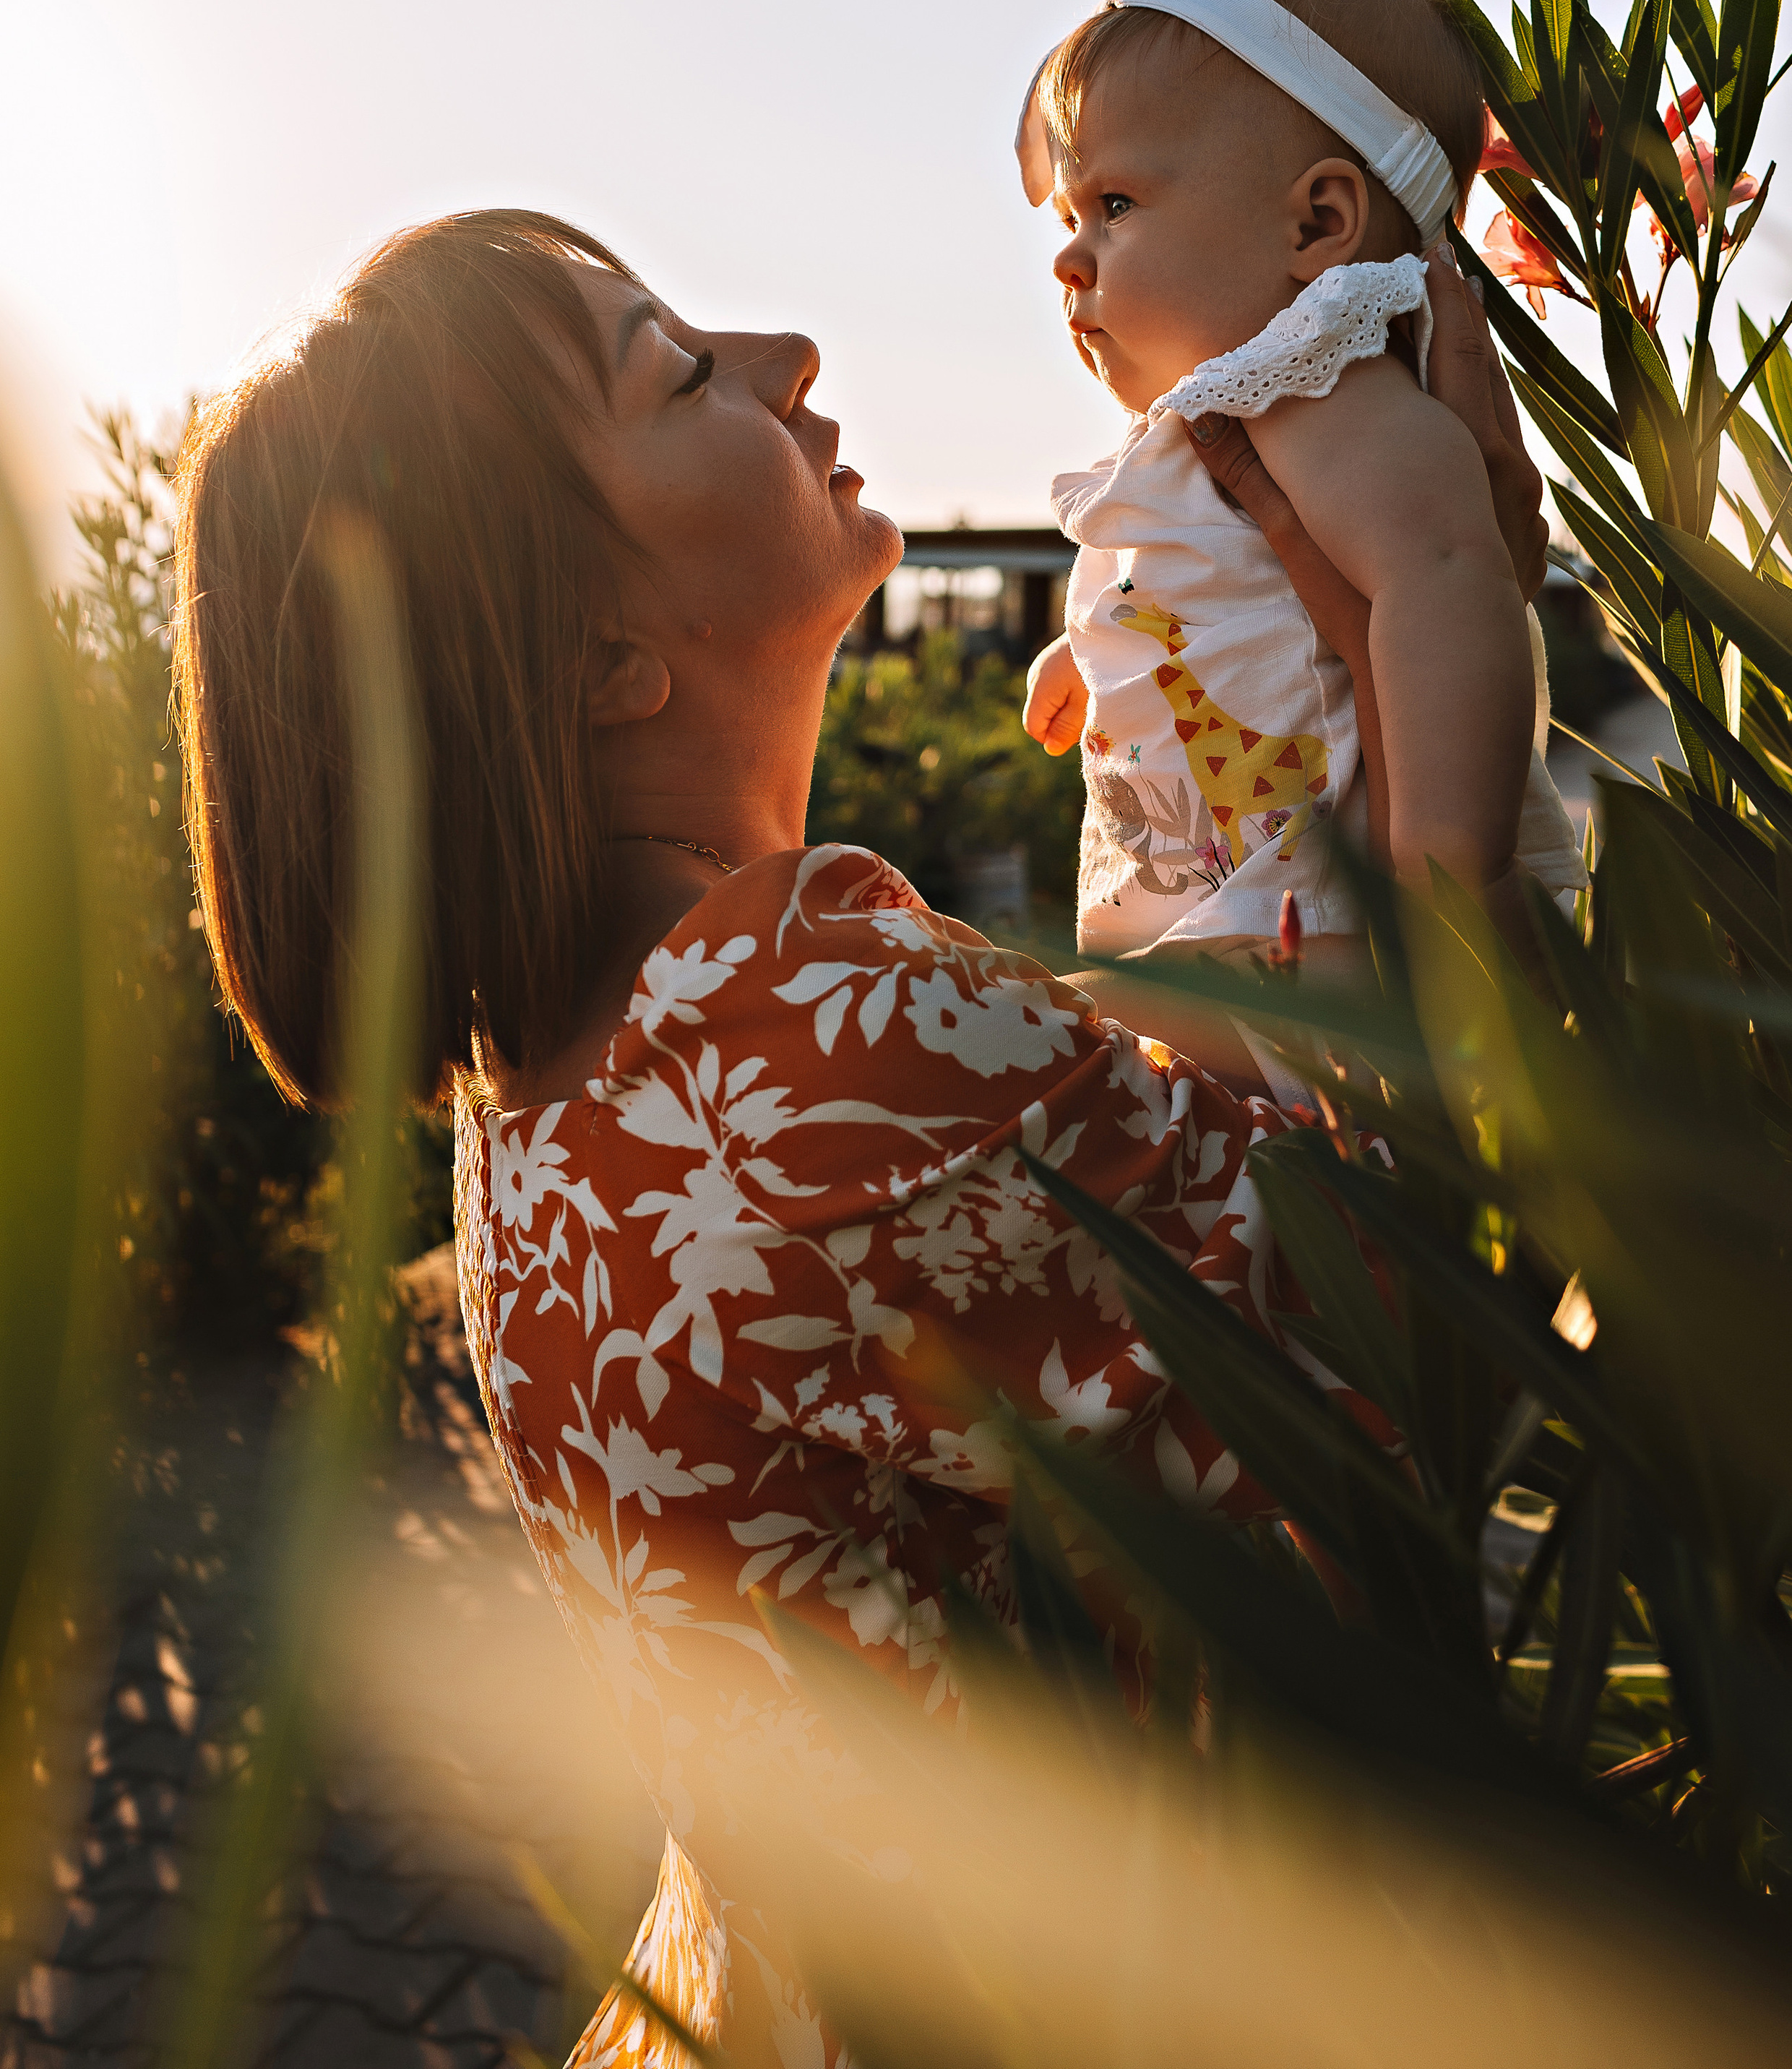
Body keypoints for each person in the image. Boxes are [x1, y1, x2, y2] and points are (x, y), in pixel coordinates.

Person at [171, 208, 1548, 2066]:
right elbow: (1395, 1352)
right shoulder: (793, 1013)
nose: (784, 361)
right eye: (676, 373)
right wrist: (1450, 590)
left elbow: (1059, 1159)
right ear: (602, 665)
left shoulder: (579, 1084)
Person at [1018, 0, 1583, 1011]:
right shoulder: (1240, 403)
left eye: (1117, 204)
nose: (1068, 258)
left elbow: (1447, 576)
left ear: (1319, 224)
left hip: (1333, 922)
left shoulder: (1319, 383)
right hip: (1249, 915)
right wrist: (1096, 648)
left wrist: (1443, 855)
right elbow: (1231, 591)